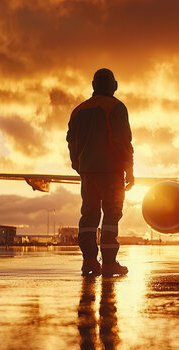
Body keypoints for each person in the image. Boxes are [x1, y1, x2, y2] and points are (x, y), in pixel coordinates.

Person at [67, 68, 134, 277]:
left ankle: (89, 262)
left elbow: (71, 142)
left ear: (93, 85)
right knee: (111, 214)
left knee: (89, 215)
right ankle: (109, 263)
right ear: (113, 85)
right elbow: (122, 141)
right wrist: (129, 169)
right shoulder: (116, 107)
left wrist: (79, 165)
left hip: (88, 171)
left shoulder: (78, 110)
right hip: (110, 170)